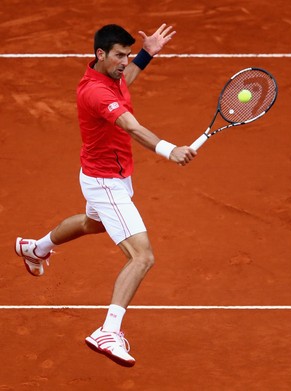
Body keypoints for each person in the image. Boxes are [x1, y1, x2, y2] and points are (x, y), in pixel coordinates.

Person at [15, 23, 196, 367]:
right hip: (105, 183)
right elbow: (130, 126)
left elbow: (128, 82)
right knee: (142, 257)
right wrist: (169, 149)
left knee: (91, 224)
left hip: (109, 175)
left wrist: (147, 53)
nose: (125, 62)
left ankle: (35, 248)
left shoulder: (112, 78)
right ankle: (108, 330)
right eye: (119, 55)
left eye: (128, 55)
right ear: (100, 54)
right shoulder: (95, 93)